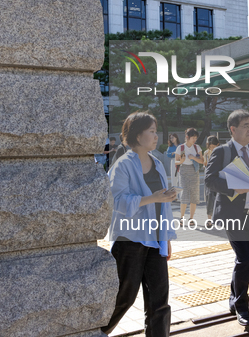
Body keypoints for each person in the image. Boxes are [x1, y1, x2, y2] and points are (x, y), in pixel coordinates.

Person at [102, 111, 178, 336]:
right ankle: (97, 331)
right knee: (124, 297)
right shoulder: (123, 165)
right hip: (130, 241)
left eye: (156, 132)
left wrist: (165, 238)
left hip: (155, 241)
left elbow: (162, 205)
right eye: (152, 132)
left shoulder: (158, 163)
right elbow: (117, 202)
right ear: (137, 135)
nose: (156, 137)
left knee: (160, 301)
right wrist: (153, 197)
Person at [204, 110, 249, 327]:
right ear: (233, 129)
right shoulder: (222, 152)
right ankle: (242, 307)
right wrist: (232, 187)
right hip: (234, 216)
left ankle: (234, 299)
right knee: (244, 258)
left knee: (248, 260)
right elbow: (209, 180)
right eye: (245, 125)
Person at [175, 128, 204, 226]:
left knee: (194, 195)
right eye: (193, 137)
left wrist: (194, 158)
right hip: (183, 171)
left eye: (196, 138)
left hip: (194, 171)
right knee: (184, 195)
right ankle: (182, 218)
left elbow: (202, 161)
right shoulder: (180, 148)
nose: (194, 139)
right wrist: (181, 161)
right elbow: (176, 161)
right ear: (187, 137)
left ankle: (191, 218)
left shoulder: (197, 147)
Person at [203, 135, 220, 228]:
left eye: (214, 146)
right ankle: (209, 219)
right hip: (209, 178)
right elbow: (205, 165)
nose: (212, 148)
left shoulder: (221, 152)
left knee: (219, 197)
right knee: (209, 198)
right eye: (210, 147)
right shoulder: (206, 153)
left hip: (219, 177)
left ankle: (218, 218)